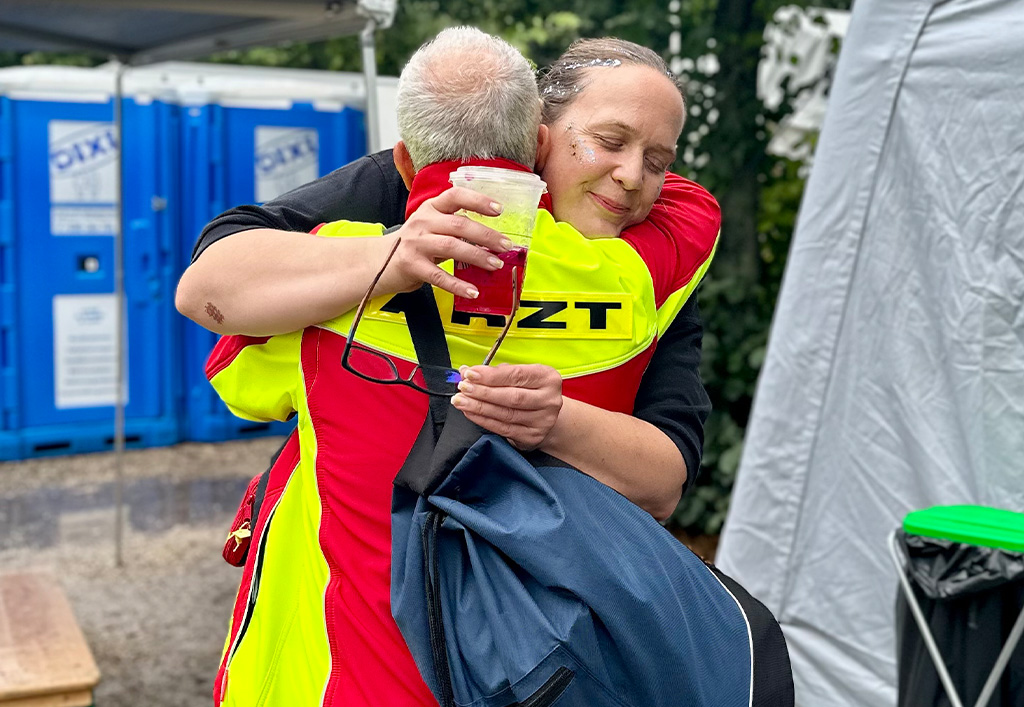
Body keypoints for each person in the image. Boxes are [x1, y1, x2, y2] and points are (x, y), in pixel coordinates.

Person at [186, 28, 719, 706]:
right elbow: (225, 255)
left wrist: (553, 420)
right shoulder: (406, 193)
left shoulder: (651, 281)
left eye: (660, 159)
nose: (634, 176)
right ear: (536, 139)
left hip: (529, 653)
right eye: (610, 141)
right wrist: (390, 252)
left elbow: (666, 475)